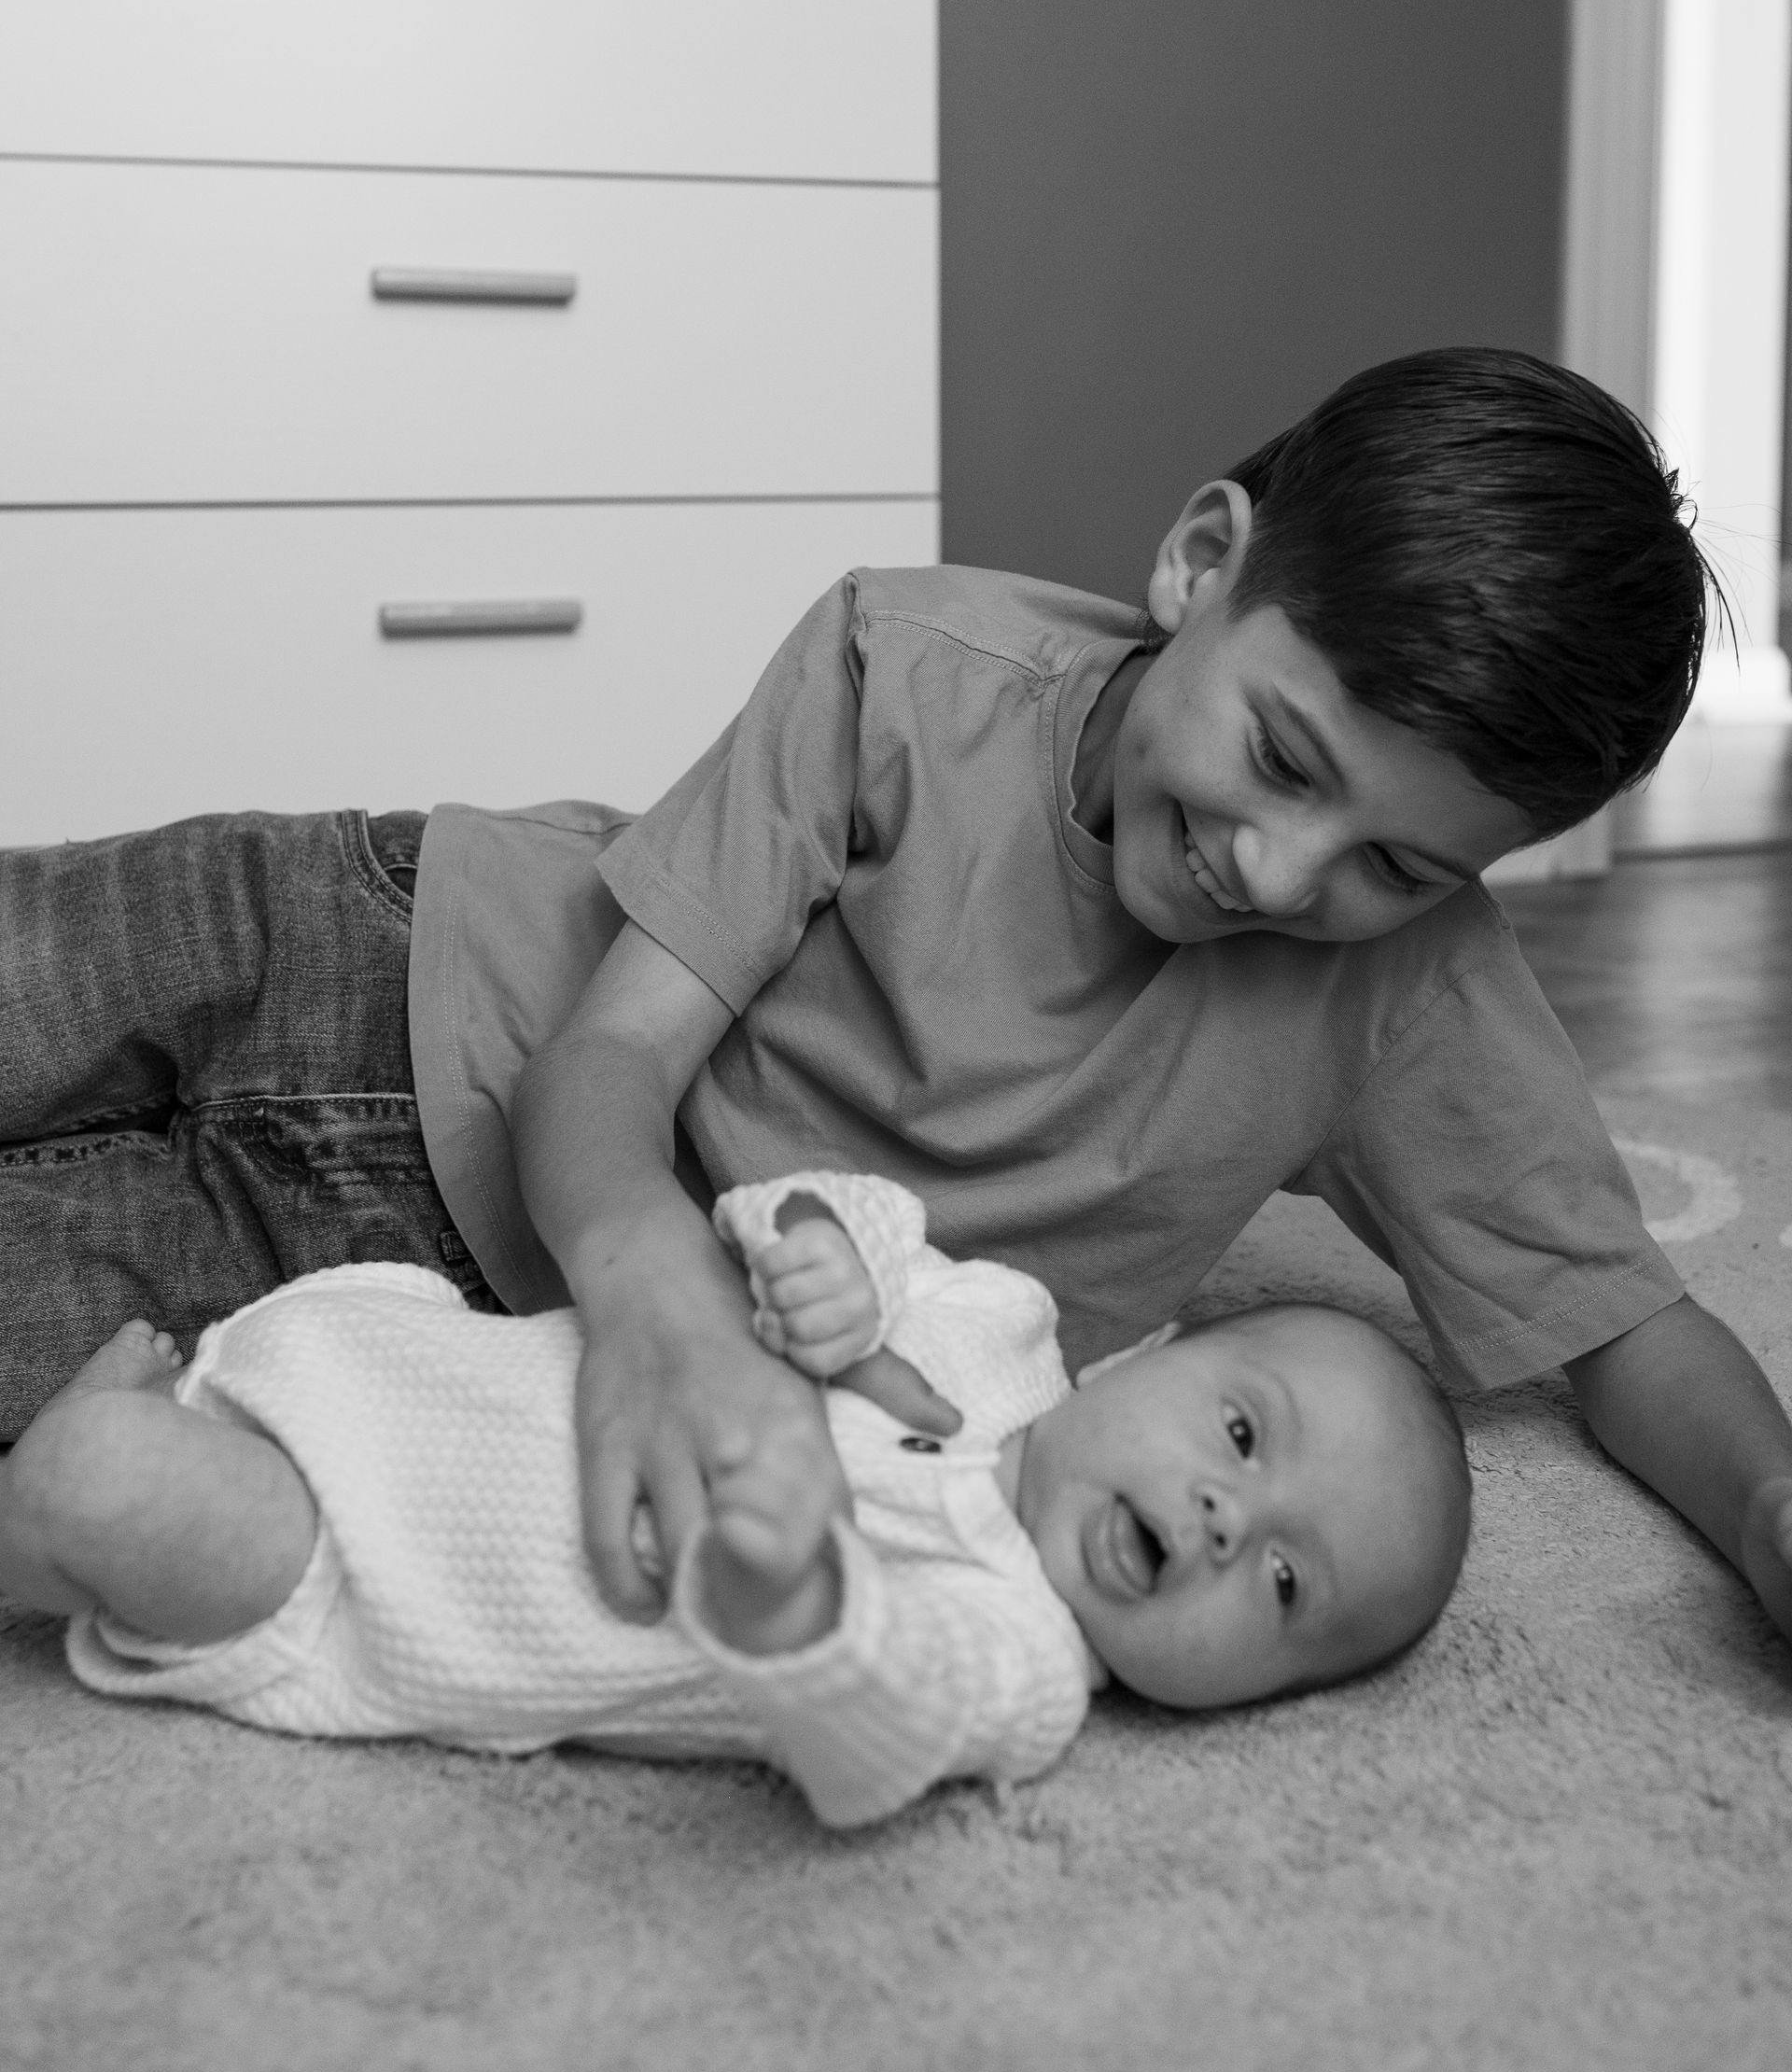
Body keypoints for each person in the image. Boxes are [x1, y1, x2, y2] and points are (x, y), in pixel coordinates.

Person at [5, 350, 1790, 1664]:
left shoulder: (1416, 996)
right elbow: (606, 1057)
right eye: (1282, 757)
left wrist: (1773, 1513)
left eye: (1400, 863)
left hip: (408, 1295)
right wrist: (666, 1310)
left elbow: (1619, 1322)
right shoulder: (904, 662)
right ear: (1199, 564)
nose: (1286, 868)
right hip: (371, 939)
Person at [0, 1174, 1472, 1827]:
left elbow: (880, 1728)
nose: (1229, 1521)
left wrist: (807, 1606)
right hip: (408, 1357)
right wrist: (814, 1247)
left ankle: (72, 1465)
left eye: (1286, 1587)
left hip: (356, 1572)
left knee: (91, 1485)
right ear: (1147, 1353)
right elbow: (852, 1216)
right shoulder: (999, 1326)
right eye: (1239, 1432)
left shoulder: (1019, 1667)